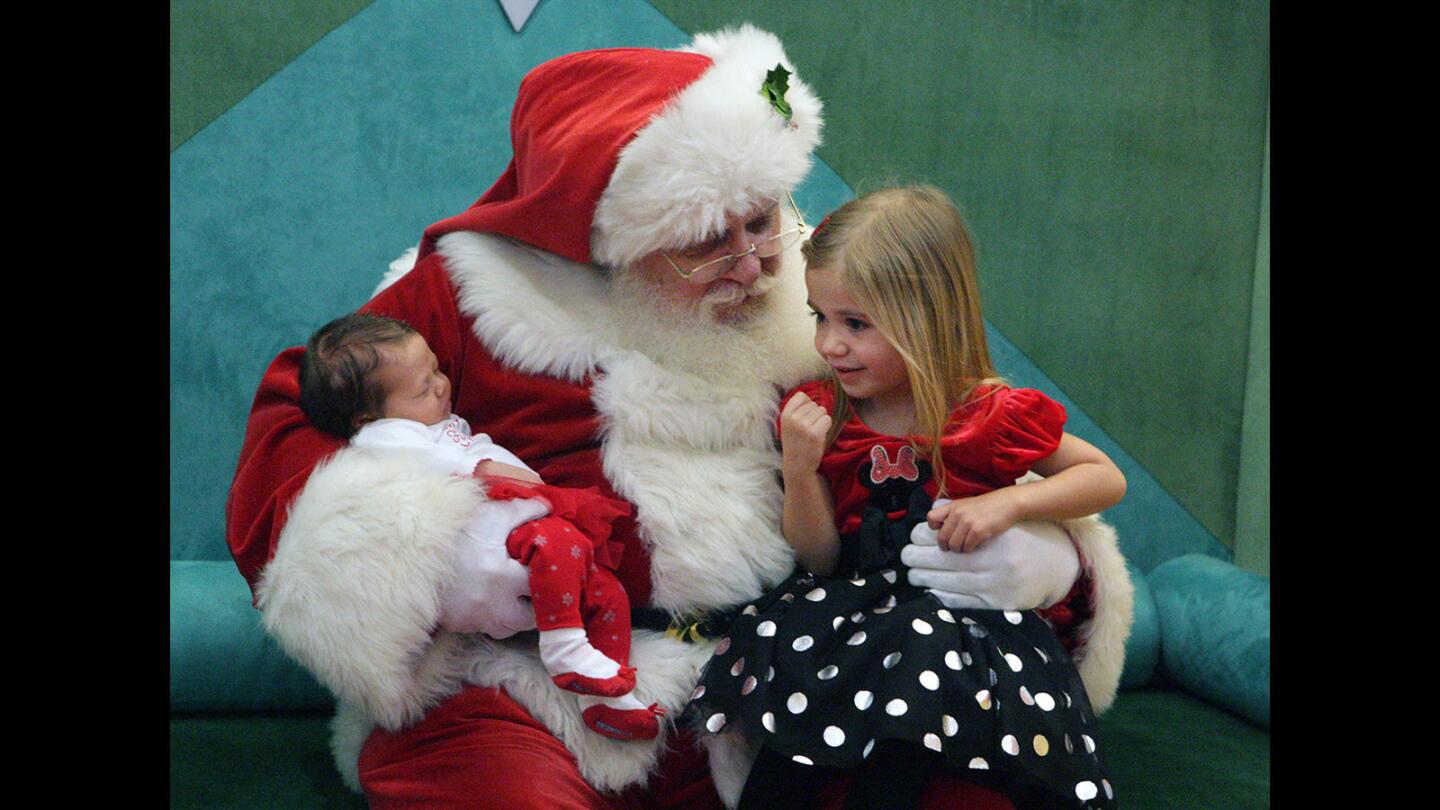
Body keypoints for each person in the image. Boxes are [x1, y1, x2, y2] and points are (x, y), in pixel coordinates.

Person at [226, 25, 1133, 809]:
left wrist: (1054, 557)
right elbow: (296, 417)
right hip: (531, 681)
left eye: (762, 221)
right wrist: (433, 551)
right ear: (612, 234)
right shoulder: (471, 293)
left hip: (777, 682)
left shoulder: (818, 294)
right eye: (707, 241)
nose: (754, 265)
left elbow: (960, 415)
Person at [686, 186, 1124, 810]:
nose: (830, 344)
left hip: (961, 630)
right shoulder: (822, 412)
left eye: (856, 324)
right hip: (849, 619)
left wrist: (1009, 505)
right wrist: (802, 467)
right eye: (819, 316)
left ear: (927, 317)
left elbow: (1105, 477)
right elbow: (817, 558)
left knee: (913, 687)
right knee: (792, 741)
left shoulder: (986, 413)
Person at [297, 312, 661, 740]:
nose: (440, 384)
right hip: (493, 552)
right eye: (422, 388)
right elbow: (457, 467)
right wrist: (494, 469)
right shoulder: (385, 438)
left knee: (607, 593)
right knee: (558, 544)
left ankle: (605, 695)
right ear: (367, 419)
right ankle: (566, 649)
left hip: (524, 552)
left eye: (435, 368)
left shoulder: (434, 423)